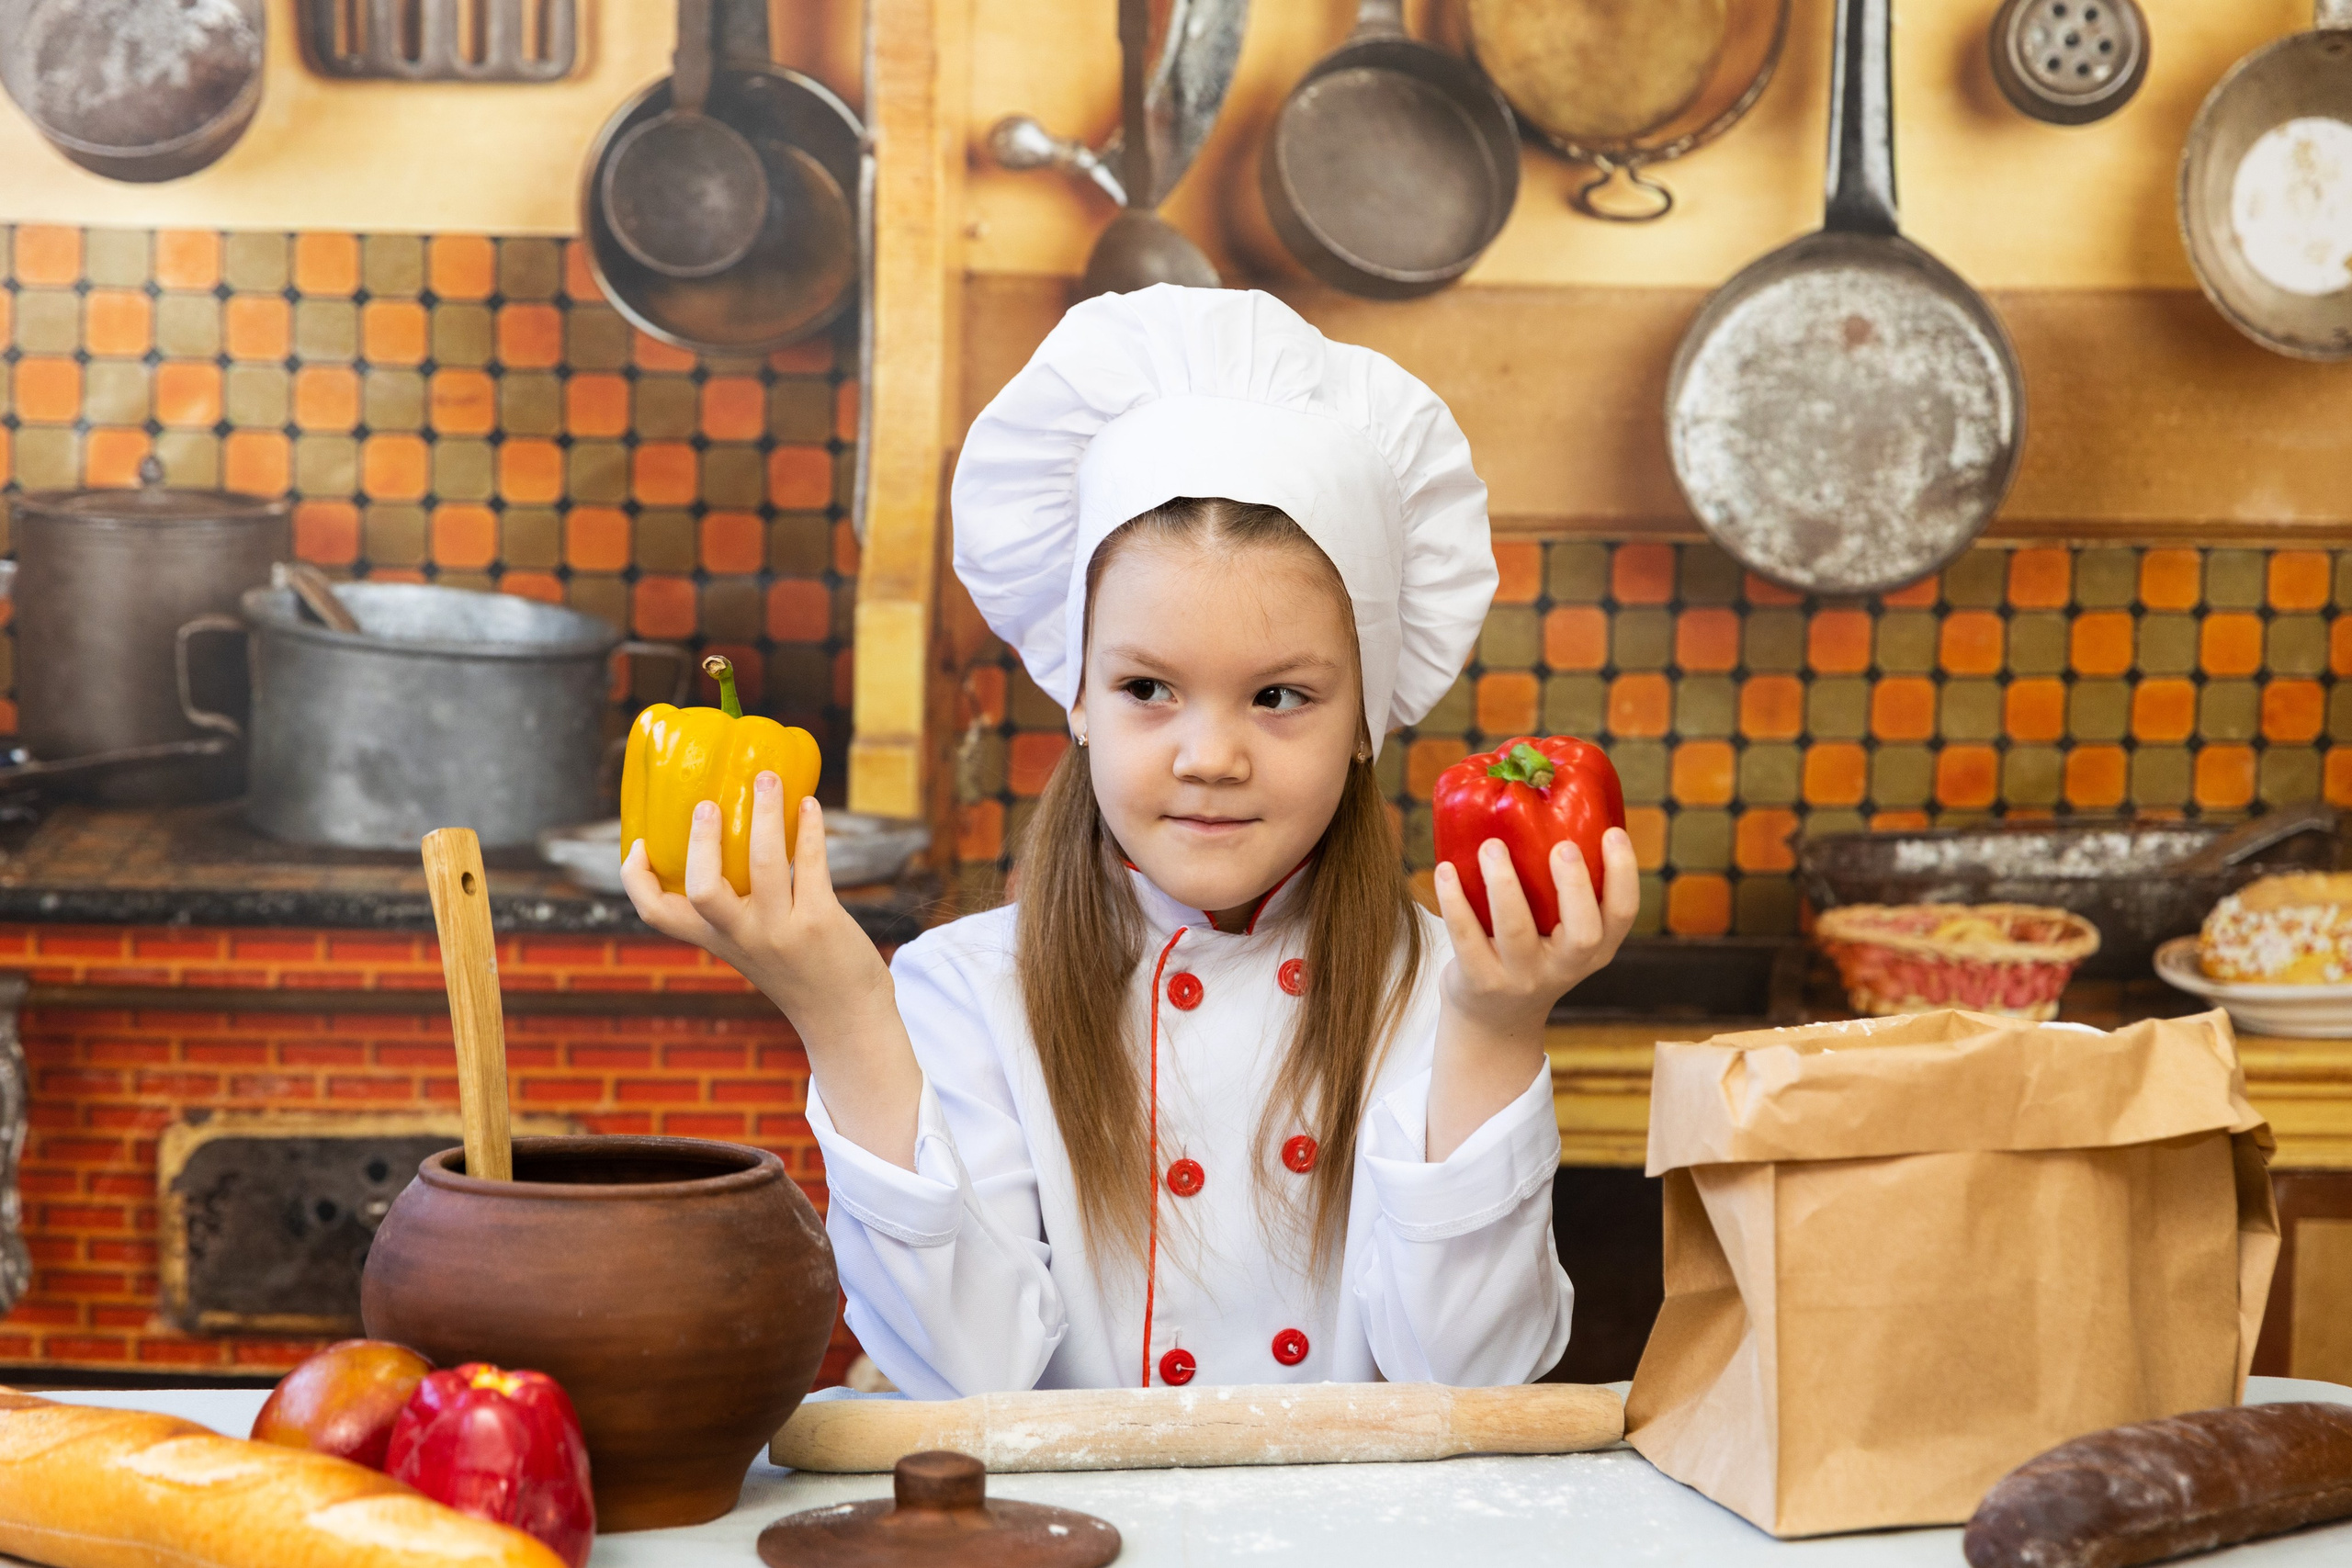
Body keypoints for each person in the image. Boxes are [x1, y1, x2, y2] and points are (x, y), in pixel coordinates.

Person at [621, 286, 1639, 1397]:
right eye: (1147, 686)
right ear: (1076, 695)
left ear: (1368, 718)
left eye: (1281, 696)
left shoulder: (1441, 986)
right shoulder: (963, 992)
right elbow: (966, 1388)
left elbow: (1474, 1383)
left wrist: (1496, 1029)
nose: (1211, 755)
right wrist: (837, 1005)